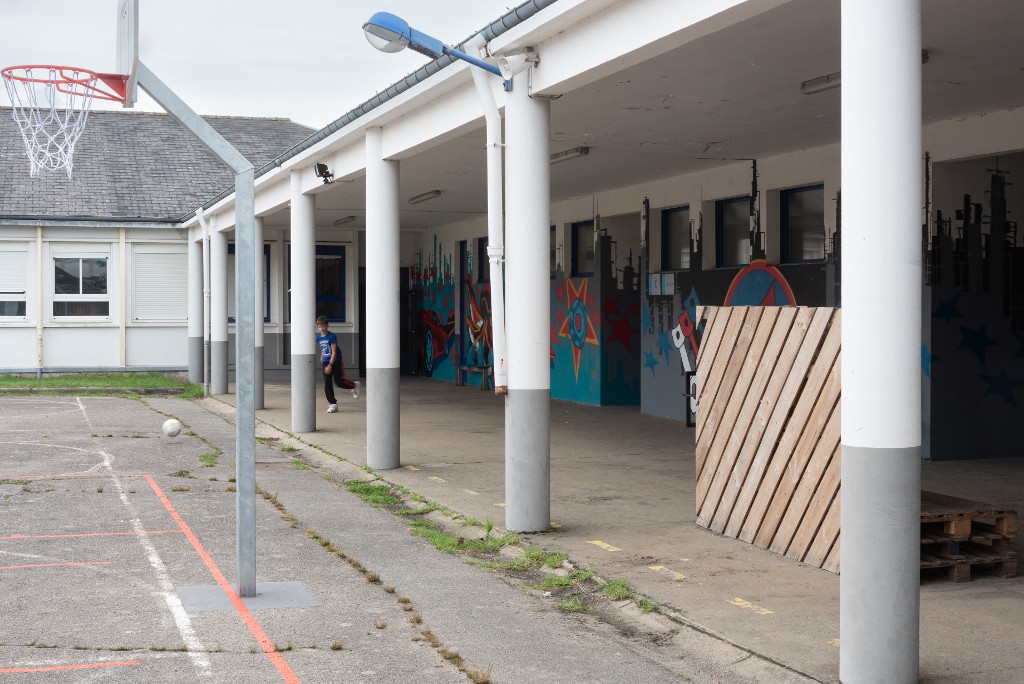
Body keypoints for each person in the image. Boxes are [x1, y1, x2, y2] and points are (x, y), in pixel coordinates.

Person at [316, 316, 360, 413]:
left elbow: (334, 352)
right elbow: (323, 348)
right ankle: (333, 404)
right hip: (326, 362)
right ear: (317, 327)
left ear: (327, 325)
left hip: (335, 361)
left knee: (339, 382)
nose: (322, 328)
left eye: (323, 326)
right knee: (327, 384)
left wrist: (330, 365)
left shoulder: (331, 336)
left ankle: (354, 385)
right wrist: (322, 356)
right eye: (319, 327)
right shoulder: (318, 337)